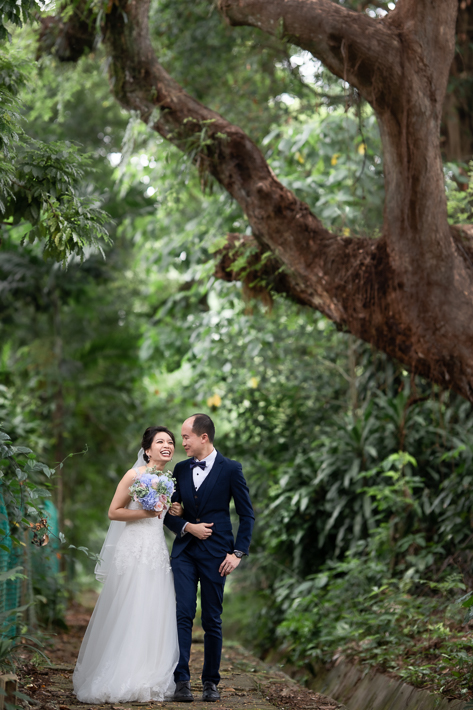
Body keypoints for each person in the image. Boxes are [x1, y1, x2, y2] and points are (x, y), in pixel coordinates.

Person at [73, 426, 181, 704]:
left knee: (154, 608)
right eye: (161, 441)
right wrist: (146, 511)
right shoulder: (134, 475)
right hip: (133, 550)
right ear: (147, 449)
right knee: (131, 606)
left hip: (156, 550)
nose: (167, 445)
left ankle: (148, 673)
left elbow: (162, 512)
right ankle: (120, 672)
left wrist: (173, 508)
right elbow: (114, 511)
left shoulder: (168, 479)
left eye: (170, 442)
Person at [164, 413, 255, 703]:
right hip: (184, 552)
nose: (182, 443)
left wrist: (238, 552)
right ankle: (181, 681)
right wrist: (185, 524)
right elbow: (167, 511)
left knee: (212, 619)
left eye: (186, 437)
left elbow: (246, 514)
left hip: (218, 555)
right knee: (183, 613)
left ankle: (210, 682)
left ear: (204, 437)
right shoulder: (179, 469)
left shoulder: (231, 469)